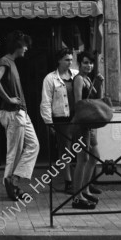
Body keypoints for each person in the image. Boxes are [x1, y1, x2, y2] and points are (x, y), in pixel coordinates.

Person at [0, 31, 40, 201]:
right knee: (14, 152)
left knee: (33, 145)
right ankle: (12, 187)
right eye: (25, 45)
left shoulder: (11, 62)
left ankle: (13, 180)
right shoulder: (5, 61)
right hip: (13, 113)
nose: (26, 48)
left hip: (20, 113)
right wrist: (9, 99)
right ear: (17, 45)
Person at [40, 48, 79, 194]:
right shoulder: (50, 78)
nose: (70, 62)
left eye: (71, 59)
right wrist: (48, 122)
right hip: (61, 118)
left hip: (78, 118)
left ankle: (83, 181)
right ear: (59, 60)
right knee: (66, 152)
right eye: (66, 60)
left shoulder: (76, 75)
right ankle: (68, 182)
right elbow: (45, 101)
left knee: (82, 149)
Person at [71, 51, 105, 209]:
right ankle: (77, 196)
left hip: (89, 124)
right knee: (82, 159)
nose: (89, 65)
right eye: (85, 62)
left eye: (91, 63)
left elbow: (97, 99)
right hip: (81, 123)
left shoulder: (88, 78)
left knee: (95, 156)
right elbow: (79, 103)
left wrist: (99, 83)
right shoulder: (78, 79)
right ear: (79, 64)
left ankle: (85, 189)